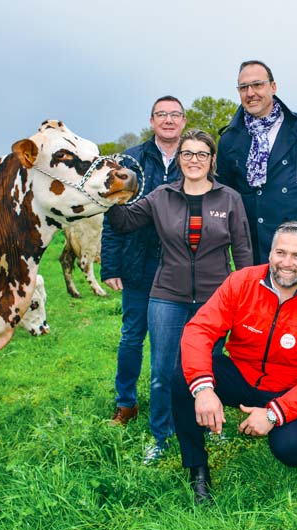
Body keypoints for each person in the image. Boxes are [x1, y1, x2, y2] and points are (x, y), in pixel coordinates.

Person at [105, 130, 253, 464]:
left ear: (211, 160)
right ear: (180, 159)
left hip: (216, 299)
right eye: (188, 154)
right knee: (163, 371)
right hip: (167, 295)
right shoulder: (161, 196)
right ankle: (162, 436)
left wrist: (246, 294)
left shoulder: (229, 198)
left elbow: (243, 249)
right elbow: (126, 221)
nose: (194, 160)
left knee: (208, 370)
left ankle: (209, 430)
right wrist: (109, 197)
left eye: (202, 154)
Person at [215, 60, 297, 430]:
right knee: (260, 320)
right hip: (256, 244)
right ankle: (258, 390)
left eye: (257, 85)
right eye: (243, 87)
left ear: (274, 85)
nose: (251, 93)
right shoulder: (231, 137)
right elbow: (228, 190)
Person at [177, 221, 297, 503]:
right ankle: (197, 468)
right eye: (281, 253)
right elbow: (199, 330)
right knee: (183, 377)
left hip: (288, 388)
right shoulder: (241, 281)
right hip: (241, 373)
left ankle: (276, 419)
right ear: (270, 253)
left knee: (295, 453)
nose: (286, 263)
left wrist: (272, 414)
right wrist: (204, 389)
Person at [101, 95, 186, 427]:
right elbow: (114, 214)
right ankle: (126, 402)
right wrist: (111, 266)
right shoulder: (131, 160)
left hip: (179, 265)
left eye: (174, 115)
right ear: (151, 121)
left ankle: (177, 399)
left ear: (183, 121)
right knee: (132, 335)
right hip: (138, 262)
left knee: (176, 339)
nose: (168, 120)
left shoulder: (194, 158)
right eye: (161, 114)